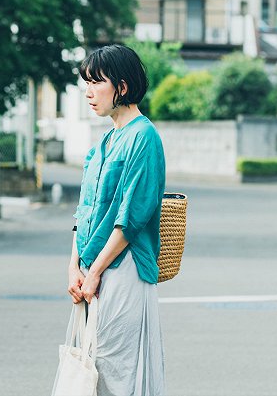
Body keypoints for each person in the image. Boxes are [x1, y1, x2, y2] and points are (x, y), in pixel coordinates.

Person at [67, 44, 166, 395]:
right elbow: (85, 208)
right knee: (94, 367)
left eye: (97, 82)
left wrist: (93, 272)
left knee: (116, 367)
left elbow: (132, 217)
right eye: (86, 83)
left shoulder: (144, 137)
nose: (89, 92)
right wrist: (74, 265)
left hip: (123, 268)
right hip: (94, 268)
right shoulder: (105, 140)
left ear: (122, 87)